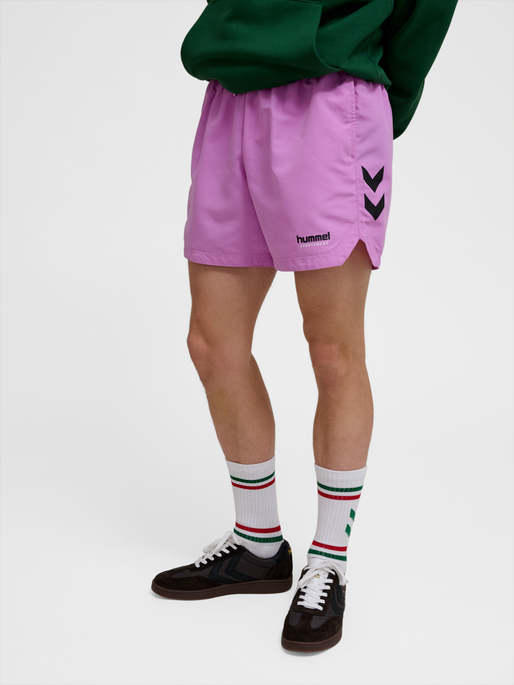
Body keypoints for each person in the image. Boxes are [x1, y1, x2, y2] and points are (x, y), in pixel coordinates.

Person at [151, 0, 459, 653]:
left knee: (333, 349)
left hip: (330, 100)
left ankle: (329, 562)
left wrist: (372, 84)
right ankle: (258, 544)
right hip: (231, 96)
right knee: (212, 343)